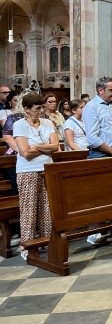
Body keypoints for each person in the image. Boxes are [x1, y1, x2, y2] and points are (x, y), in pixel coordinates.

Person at [14, 92, 59, 259]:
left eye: (42, 107)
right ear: (26, 109)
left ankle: (46, 242)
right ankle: (27, 247)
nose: (41, 110)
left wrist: (37, 147)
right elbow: (25, 152)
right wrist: (44, 146)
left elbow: (55, 147)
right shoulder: (20, 125)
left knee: (47, 210)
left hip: (47, 169)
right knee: (29, 211)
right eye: (37, 108)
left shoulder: (47, 123)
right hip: (27, 171)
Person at [84, 76, 112, 159]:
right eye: (111, 90)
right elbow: (92, 138)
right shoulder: (91, 106)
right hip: (100, 154)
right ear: (100, 90)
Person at [2, 92, 27, 196]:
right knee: (17, 189)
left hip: (34, 155)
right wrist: (22, 150)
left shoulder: (43, 118)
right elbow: (7, 137)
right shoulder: (13, 117)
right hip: (14, 155)